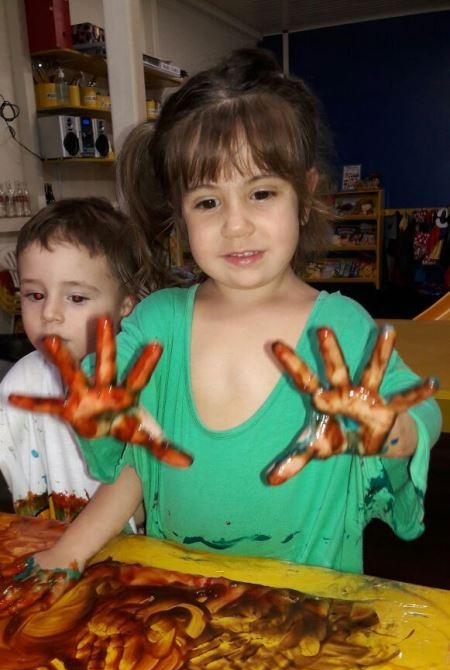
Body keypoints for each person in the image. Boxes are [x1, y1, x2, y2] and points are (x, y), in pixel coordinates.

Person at [8, 49, 442, 577]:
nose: (236, 226)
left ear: (305, 196)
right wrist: (94, 422)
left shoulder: (343, 329)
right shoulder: (156, 326)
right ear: (179, 211)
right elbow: (130, 469)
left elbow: (422, 411)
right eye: (208, 202)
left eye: (261, 193)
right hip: (182, 602)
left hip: (309, 606)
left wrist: (394, 429)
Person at [0, 196, 147, 522]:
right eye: (35, 295)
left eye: (76, 298)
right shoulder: (19, 382)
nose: (49, 313)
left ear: (125, 305)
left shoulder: (140, 382)